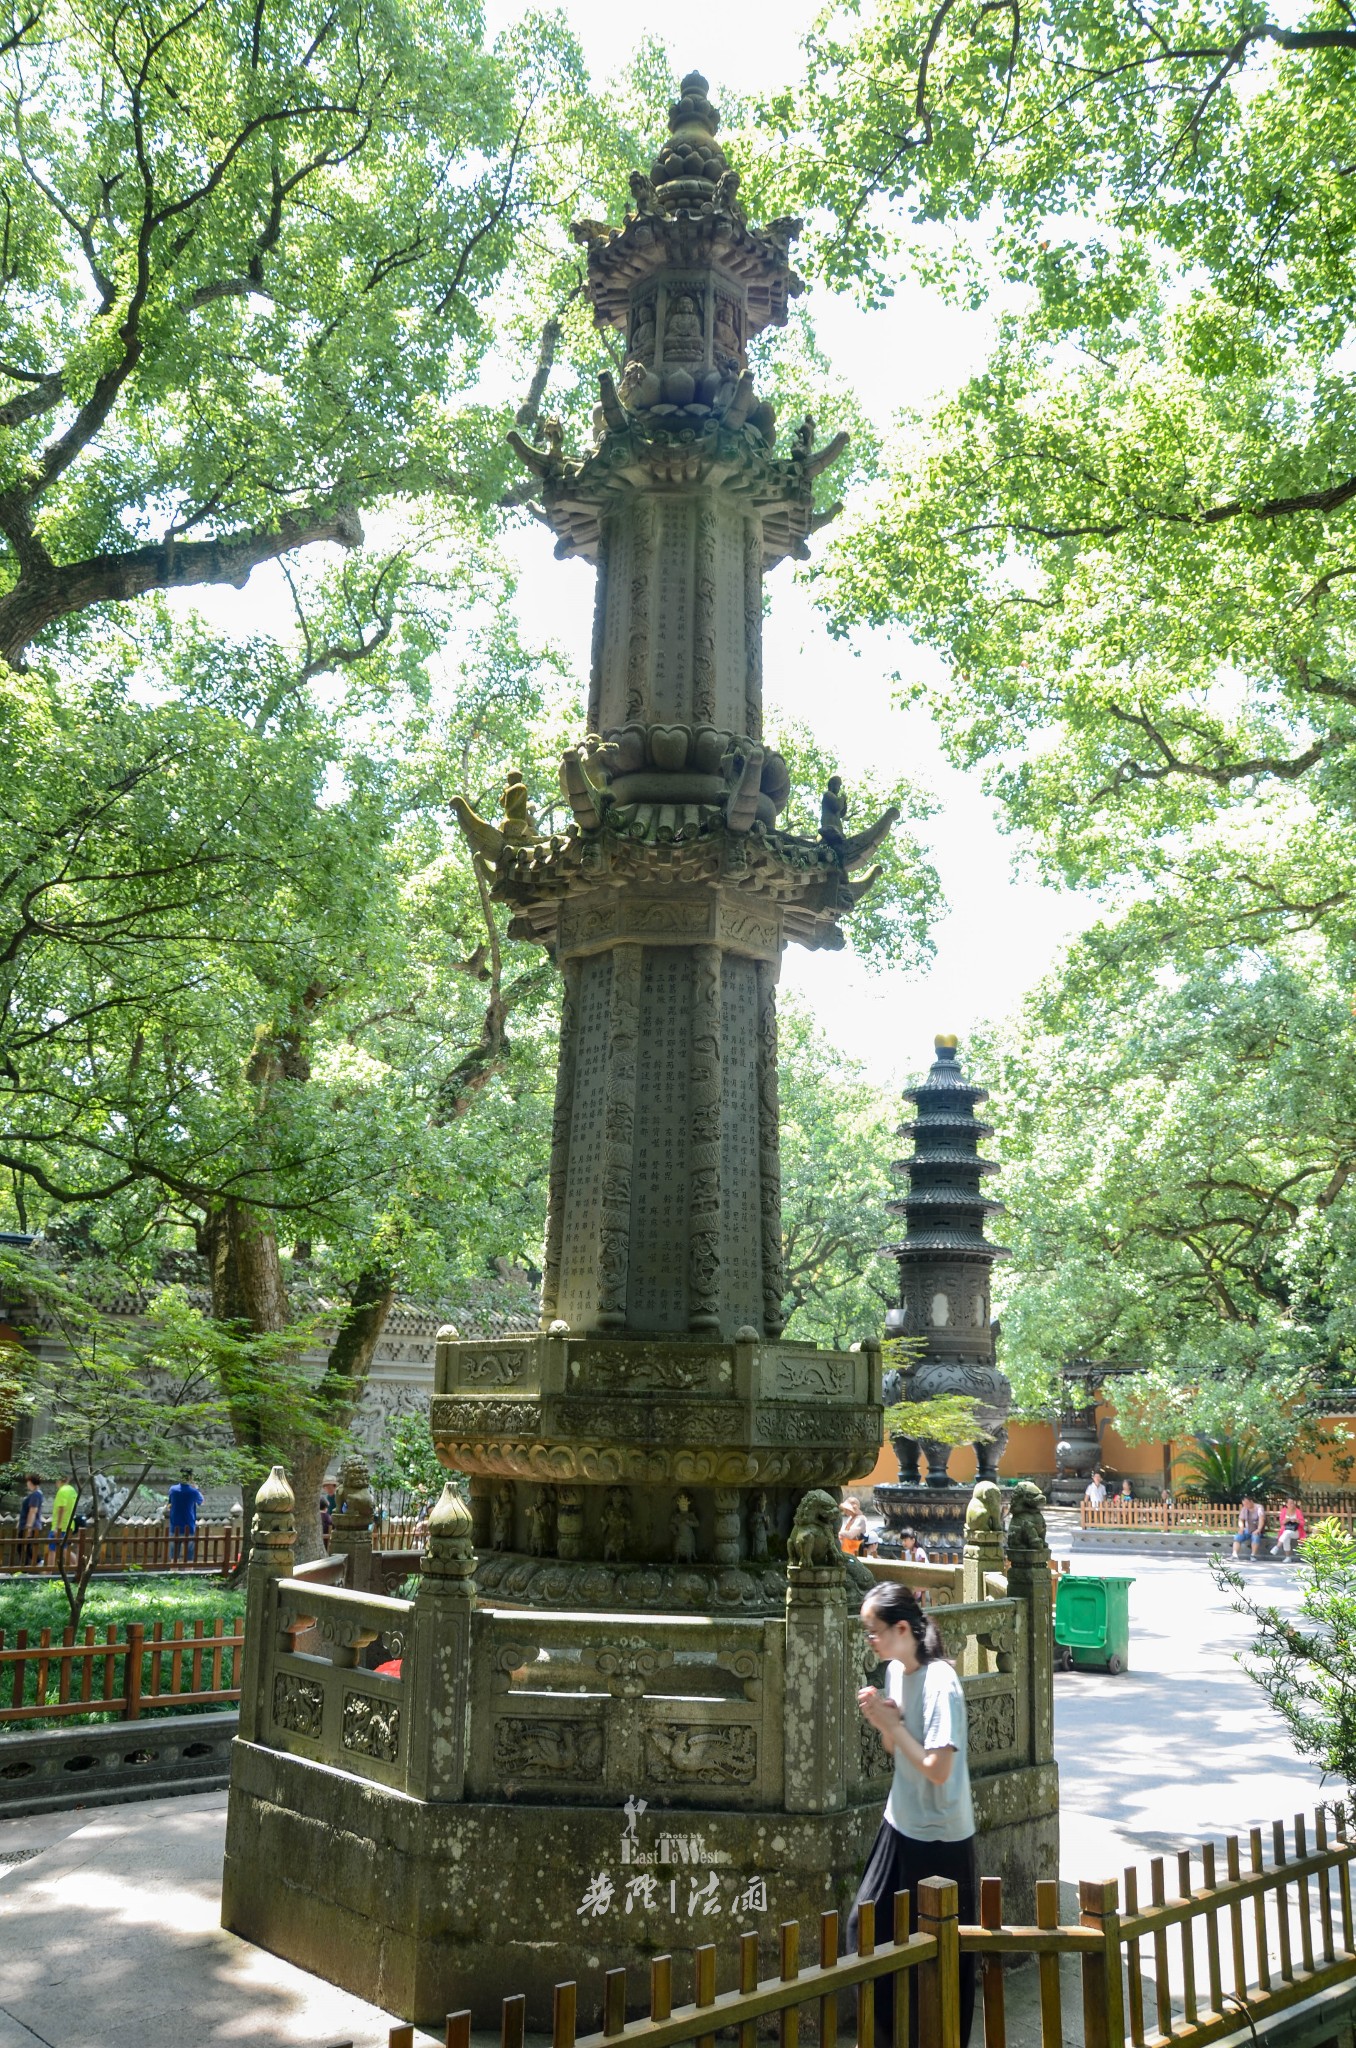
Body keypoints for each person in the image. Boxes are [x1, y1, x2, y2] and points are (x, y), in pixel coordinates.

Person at [851, 1580, 977, 2046]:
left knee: (944, 1960)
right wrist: (884, 1720)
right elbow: (896, 1747)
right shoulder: (895, 1672)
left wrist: (891, 1725)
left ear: (902, 1628)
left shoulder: (942, 1682)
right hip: (899, 1822)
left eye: (874, 1630)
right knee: (864, 1928)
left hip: (941, 1836)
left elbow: (938, 1768)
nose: (870, 1639)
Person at [167, 1469, 204, 1564]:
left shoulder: (173, 1490)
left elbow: (169, 1504)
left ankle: (173, 1573)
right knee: (189, 1557)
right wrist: (196, 1488)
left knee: (174, 1556)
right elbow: (201, 1502)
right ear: (190, 1478)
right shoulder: (193, 1492)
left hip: (175, 1526)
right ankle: (189, 1573)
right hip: (189, 1526)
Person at [48, 1475, 78, 1568]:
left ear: (59, 1480)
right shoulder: (72, 1490)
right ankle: (78, 1566)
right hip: (69, 1524)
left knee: (55, 1549)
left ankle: (48, 1572)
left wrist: (58, 1526)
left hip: (61, 1525)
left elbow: (61, 1508)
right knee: (63, 1549)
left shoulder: (62, 1491)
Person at [17, 1473, 44, 1568]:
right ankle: (28, 1567)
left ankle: (39, 1563)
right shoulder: (35, 1494)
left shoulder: (36, 1495)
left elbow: (33, 1511)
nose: (27, 1484)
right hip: (27, 1525)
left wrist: (28, 1527)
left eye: (28, 1482)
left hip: (30, 1526)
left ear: (31, 1482)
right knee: (25, 1547)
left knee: (23, 1547)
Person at [1233, 1495, 1265, 1561]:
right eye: (1244, 1504)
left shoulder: (1259, 1507)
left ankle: (1253, 1555)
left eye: (1247, 1503)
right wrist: (1241, 1528)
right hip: (1248, 1529)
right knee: (1238, 1537)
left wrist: (1258, 1529)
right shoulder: (1244, 1508)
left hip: (1257, 1529)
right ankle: (1234, 1555)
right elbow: (1241, 1519)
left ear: (1251, 1501)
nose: (1246, 1505)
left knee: (1255, 1537)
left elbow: (1261, 1519)